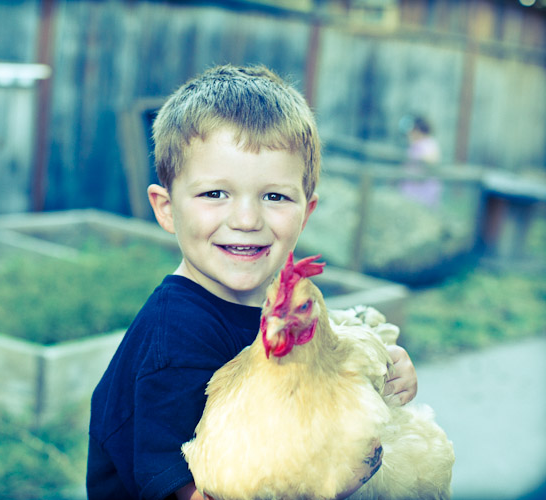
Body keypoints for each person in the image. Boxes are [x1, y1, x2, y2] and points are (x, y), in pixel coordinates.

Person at [87, 64, 418, 500]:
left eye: (275, 196)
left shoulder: (278, 300)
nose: (246, 220)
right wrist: (326, 483)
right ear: (166, 208)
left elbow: (313, 371)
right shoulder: (177, 342)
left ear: (307, 211)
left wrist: (383, 369)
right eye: (214, 194)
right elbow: (187, 492)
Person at [399, 114, 442, 207]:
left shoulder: (429, 143)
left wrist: (420, 158)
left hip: (423, 188)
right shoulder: (414, 144)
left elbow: (433, 160)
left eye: (413, 130)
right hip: (411, 186)